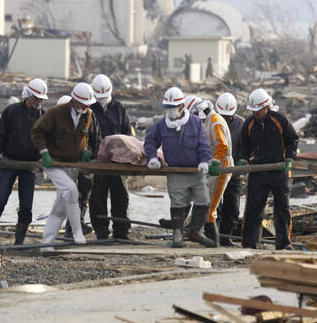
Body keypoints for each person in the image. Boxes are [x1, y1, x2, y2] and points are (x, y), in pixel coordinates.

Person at [144, 87, 214, 248]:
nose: (169, 111)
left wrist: (204, 160)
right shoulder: (161, 125)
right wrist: (153, 157)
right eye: (167, 108)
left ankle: (197, 232)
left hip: (196, 171)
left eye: (172, 107)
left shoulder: (196, 123)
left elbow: (203, 144)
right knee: (177, 203)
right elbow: (150, 142)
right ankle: (177, 234)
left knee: (203, 201)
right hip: (175, 171)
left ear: (182, 107)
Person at [31, 82, 97, 251]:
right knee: (72, 190)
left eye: (88, 104)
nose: (87, 106)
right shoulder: (56, 113)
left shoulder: (88, 115)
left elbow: (86, 137)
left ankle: (47, 244)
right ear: (75, 101)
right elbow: (37, 132)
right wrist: (44, 152)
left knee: (60, 208)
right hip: (54, 163)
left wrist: (85, 152)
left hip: (72, 164)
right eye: (84, 103)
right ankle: (77, 233)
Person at [0, 77, 48, 246]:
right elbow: (0, 133)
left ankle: (19, 242)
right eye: (36, 99)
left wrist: (47, 157)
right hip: (9, 163)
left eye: (41, 99)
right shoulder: (11, 111)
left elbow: (48, 139)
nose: (38, 102)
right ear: (28, 96)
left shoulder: (44, 116)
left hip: (30, 166)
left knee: (26, 206)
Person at [236, 88, 298, 250]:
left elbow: (292, 140)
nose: (256, 114)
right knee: (253, 209)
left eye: (258, 111)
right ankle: (249, 243)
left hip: (280, 171)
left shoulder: (280, 120)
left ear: (266, 108)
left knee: (282, 209)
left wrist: (290, 157)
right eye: (253, 111)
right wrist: (243, 160)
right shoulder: (249, 124)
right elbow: (245, 146)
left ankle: (284, 244)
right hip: (258, 171)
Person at [89, 74, 134, 240]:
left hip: (118, 161)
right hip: (98, 161)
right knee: (97, 198)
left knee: (120, 196)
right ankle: (101, 231)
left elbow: (128, 134)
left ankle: (121, 232)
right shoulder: (90, 109)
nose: (102, 100)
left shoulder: (119, 109)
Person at [192, 99, 232, 247]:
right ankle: (205, 237)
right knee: (204, 201)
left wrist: (216, 161)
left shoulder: (215, 121)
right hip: (212, 164)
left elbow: (222, 145)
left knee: (212, 206)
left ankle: (213, 242)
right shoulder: (207, 121)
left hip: (222, 165)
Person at [214, 92, 245, 246]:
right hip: (215, 170)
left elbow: (246, 147)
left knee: (232, 206)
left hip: (233, 172)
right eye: (223, 116)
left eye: (228, 117)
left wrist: (241, 164)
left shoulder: (241, 124)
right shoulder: (211, 122)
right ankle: (213, 234)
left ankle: (226, 236)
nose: (225, 119)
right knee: (214, 205)